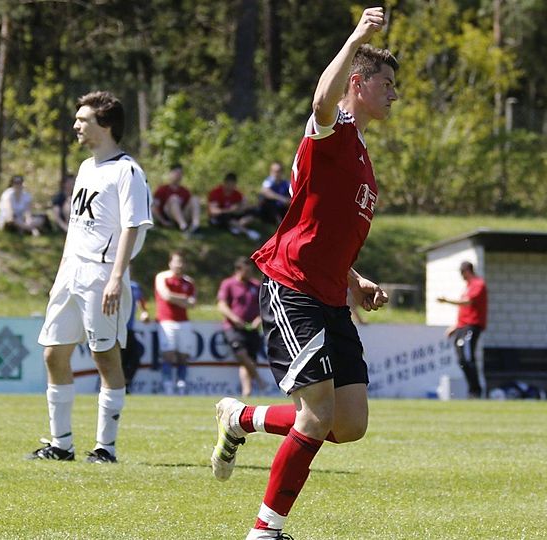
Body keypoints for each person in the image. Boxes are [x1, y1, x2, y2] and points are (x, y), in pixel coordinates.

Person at [208, 9, 396, 539]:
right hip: (294, 287)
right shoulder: (331, 131)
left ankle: (241, 419)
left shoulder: (358, 150)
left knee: (348, 423)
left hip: (332, 293)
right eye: (386, 84)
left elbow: (323, 227)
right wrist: (357, 35)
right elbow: (319, 101)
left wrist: (355, 279)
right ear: (356, 83)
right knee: (315, 415)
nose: (393, 95)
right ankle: (264, 533)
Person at [28, 90, 153, 464]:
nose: (76, 125)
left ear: (106, 125)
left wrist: (117, 278)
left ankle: (105, 448)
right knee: (53, 354)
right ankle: (61, 444)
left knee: (105, 359)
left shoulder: (127, 170)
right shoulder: (85, 167)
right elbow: (76, 227)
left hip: (103, 274)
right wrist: (61, 272)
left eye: (83, 120)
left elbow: (133, 226)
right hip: (71, 272)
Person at [217, 257, 268, 398]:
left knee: (248, 359)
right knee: (240, 353)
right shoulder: (228, 284)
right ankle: (259, 379)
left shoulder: (256, 285)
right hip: (232, 327)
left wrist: (259, 319)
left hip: (251, 328)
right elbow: (221, 305)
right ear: (239, 270)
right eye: (247, 271)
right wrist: (235, 319)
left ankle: (247, 391)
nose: (250, 273)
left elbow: (264, 306)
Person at [436, 261, 487, 399]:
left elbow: (468, 303)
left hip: (472, 326)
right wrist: (456, 326)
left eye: (462, 272)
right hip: (462, 326)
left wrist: (446, 301)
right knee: (462, 359)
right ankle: (472, 390)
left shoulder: (478, 284)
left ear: (467, 271)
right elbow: (465, 310)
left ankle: (476, 391)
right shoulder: (468, 287)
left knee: (468, 358)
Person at [154, 251, 197, 394]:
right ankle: (167, 385)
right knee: (168, 354)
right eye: (176, 261)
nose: (179, 265)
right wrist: (184, 299)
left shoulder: (189, 281)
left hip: (184, 322)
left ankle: (181, 384)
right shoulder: (162, 277)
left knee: (183, 355)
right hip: (166, 321)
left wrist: (176, 299)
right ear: (170, 263)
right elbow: (166, 296)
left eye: (181, 262)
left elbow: (193, 303)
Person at [207, 172, 260, 241]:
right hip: (220, 217)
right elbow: (213, 211)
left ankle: (236, 226)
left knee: (254, 211)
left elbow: (244, 205)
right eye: (229, 184)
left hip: (233, 215)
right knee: (224, 216)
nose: (230, 187)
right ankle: (247, 232)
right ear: (225, 183)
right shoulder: (216, 192)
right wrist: (229, 210)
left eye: (233, 185)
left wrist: (239, 207)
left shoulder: (236, 193)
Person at [152, 164, 201, 235]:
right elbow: (154, 208)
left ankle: (195, 225)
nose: (178, 175)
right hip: (168, 216)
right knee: (173, 198)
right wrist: (163, 222)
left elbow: (190, 206)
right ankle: (183, 227)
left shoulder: (185, 191)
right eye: (176, 173)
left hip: (183, 214)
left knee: (195, 199)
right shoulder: (162, 189)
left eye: (181, 173)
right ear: (170, 174)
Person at [121, 279, 151, 394]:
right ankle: (116, 386)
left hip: (129, 329)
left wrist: (144, 312)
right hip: (114, 329)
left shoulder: (134, 286)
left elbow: (140, 302)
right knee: (119, 360)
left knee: (135, 358)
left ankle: (126, 384)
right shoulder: (109, 281)